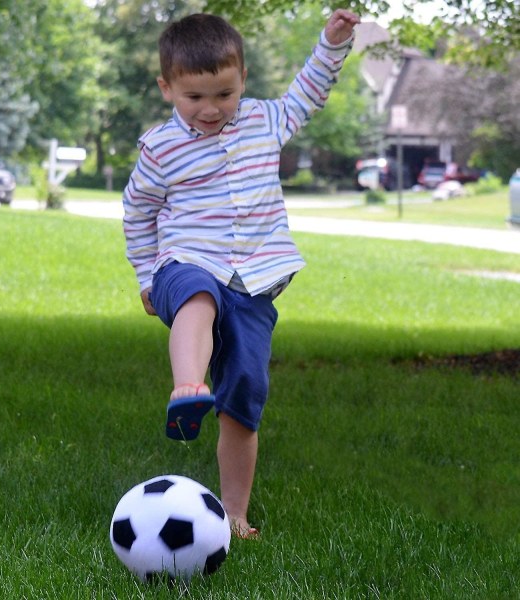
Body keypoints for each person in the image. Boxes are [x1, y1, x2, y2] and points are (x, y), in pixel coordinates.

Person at [123, 9, 359, 538]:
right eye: (195, 97)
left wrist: (332, 42)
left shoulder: (266, 120)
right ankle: (187, 386)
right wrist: (145, 274)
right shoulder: (160, 149)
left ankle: (234, 513)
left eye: (224, 95)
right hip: (185, 263)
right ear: (167, 88)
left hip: (255, 281)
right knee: (198, 298)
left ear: (243, 82)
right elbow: (137, 213)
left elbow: (311, 89)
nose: (210, 109)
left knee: (245, 397)